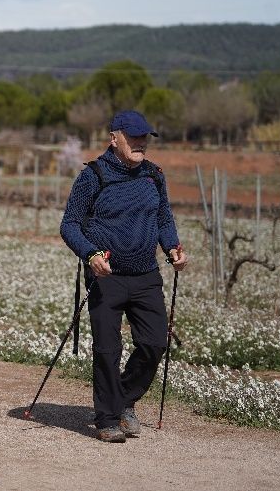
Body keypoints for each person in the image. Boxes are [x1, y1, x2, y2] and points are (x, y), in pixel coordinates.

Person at [60, 109, 188, 443]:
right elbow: (69, 225)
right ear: (114, 137)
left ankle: (124, 400)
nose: (140, 142)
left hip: (146, 275)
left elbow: (163, 218)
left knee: (154, 343)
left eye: (144, 136)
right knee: (107, 348)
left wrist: (173, 247)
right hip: (107, 276)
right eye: (132, 136)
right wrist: (90, 254)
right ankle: (106, 419)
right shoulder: (94, 175)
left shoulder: (153, 175)